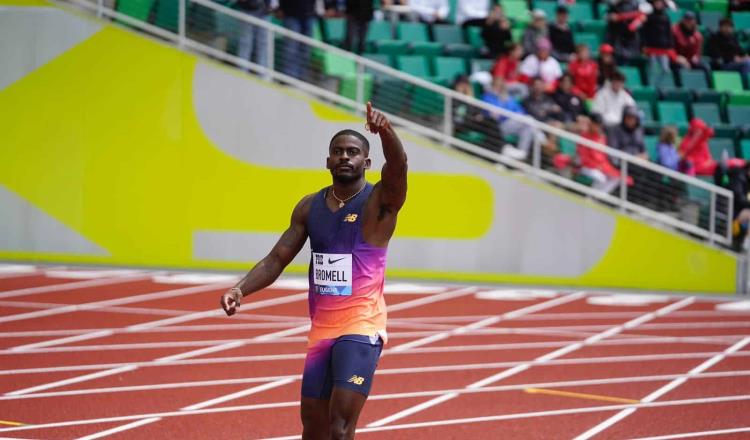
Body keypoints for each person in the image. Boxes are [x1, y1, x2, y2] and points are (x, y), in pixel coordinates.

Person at [220, 102, 407, 439]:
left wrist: (386, 132)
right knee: (313, 428)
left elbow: (399, 167)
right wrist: (240, 289)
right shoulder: (309, 206)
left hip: (361, 327)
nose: (345, 157)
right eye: (338, 152)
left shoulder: (379, 203)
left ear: (367, 162)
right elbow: (277, 258)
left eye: (353, 152)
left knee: (340, 427)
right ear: (327, 161)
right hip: (322, 331)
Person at [482, 76, 546, 160]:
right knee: (529, 120)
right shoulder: (488, 97)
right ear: (493, 86)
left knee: (528, 128)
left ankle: (520, 154)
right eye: (497, 85)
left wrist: (511, 110)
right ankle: (541, 138)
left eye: (501, 86)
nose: (499, 88)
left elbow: (520, 111)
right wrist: (506, 109)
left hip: (515, 123)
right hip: (501, 126)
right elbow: (496, 114)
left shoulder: (508, 98)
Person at [577, 113, 625, 193]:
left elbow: (603, 157)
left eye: (599, 125)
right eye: (596, 124)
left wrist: (602, 167)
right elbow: (583, 157)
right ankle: (591, 197)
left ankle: (597, 197)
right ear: (590, 123)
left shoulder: (602, 137)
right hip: (586, 167)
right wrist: (596, 166)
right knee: (601, 178)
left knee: (616, 177)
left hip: (600, 167)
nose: (598, 127)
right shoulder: (584, 136)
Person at [452, 75, 503, 152]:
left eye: (466, 85)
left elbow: (476, 110)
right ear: (457, 85)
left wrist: (478, 114)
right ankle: (494, 150)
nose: (464, 87)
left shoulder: (468, 97)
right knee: (489, 125)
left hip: (472, 121)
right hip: (462, 123)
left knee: (492, 122)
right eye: (462, 84)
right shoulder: (452, 96)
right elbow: (459, 114)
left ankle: (498, 150)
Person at [640, 0, 680, 87]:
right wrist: (643, 45)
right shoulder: (649, 17)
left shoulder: (666, 17)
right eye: (656, 3)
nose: (658, 4)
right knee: (652, 69)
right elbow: (644, 32)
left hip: (663, 48)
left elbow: (669, 32)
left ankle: (662, 86)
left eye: (660, 3)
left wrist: (670, 46)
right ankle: (651, 86)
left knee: (665, 69)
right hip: (652, 48)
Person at [279, 0, 317, 79]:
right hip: (291, 14)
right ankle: (288, 77)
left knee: (305, 49)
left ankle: (301, 77)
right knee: (290, 48)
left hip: (309, 15)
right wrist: (281, 8)